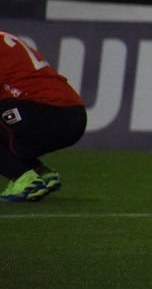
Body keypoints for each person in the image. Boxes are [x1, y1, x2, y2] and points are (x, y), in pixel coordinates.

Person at [1, 30, 87, 202]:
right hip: (72, 113)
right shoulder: (5, 38)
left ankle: (24, 179)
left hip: (46, 110)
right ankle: (41, 173)